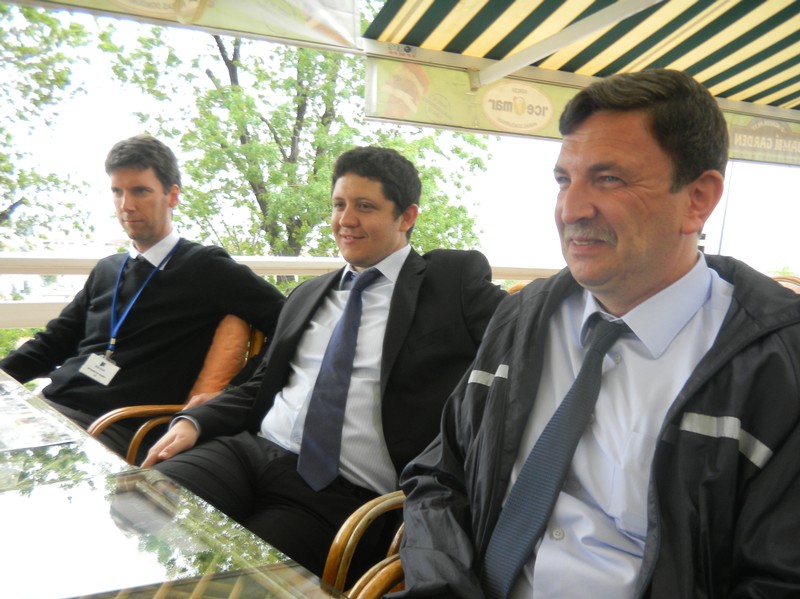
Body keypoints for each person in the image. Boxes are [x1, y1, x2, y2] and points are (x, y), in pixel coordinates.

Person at [394, 69, 800, 598]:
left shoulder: (777, 362)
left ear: (698, 199)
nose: (571, 209)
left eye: (609, 179)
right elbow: (437, 474)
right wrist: (443, 587)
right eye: (564, 180)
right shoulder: (522, 318)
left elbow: (779, 580)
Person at [142, 145, 507, 581]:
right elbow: (261, 385)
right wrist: (194, 421)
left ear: (406, 217)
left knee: (239, 583)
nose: (345, 220)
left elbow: (525, 333)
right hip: (248, 454)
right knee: (144, 505)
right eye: (338, 205)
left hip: (341, 495)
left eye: (364, 206)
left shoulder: (451, 283)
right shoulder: (308, 294)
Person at [0, 135, 285, 458]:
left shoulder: (206, 268)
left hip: (112, 428)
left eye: (140, 191)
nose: (126, 205)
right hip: (47, 410)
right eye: (117, 192)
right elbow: (52, 343)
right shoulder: (108, 269)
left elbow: (292, 321)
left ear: (172, 196)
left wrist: (234, 392)